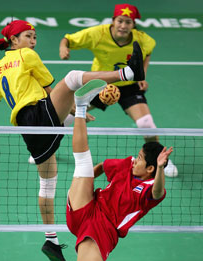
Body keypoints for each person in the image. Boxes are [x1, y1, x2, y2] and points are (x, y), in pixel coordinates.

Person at [0, 20, 145, 261]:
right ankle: (127, 73)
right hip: (38, 115)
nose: (33, 41)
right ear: (14, 41)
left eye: (34, 37)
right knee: (73, 78)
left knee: (47, 186)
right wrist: (72, 109)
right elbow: (49, 90)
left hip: (29, 131)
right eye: (28, 36)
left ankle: (50, 239)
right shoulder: (26, 55)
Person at [53, 79, 173, 261]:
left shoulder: (150, 191)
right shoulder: (126, 165)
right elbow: (98, 167)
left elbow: (158, 189)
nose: (136, 159)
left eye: (142, 159)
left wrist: (162, 171)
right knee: (82, 164)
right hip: (86, 206)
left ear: (152, 168)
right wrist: (82, 180)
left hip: (103, 233)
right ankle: (80, 108)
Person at [59, 3, 178, 178]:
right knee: (67, 116)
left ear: (133, 25)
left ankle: (161, 160)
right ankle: (47, 149)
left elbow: (148, 52)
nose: (123, 26)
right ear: (113, 21)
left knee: (147, 125)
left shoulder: (143, 39)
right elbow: (68, 38)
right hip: (101, 84)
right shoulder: (97, 34)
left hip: (129, 87)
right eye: (120, 21)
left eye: (128, 22)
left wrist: (142, 75)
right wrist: (64, 47)